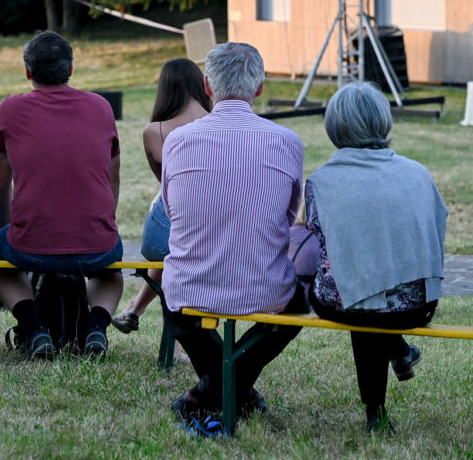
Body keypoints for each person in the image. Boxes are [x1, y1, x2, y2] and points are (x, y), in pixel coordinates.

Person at [161, 42, 306, 425]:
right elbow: (289, 217)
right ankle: (235, 391)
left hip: (189, 285)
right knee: (298, 305)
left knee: (172, 298)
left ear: (208, 85)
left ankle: (208, 391)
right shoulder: (287, 142)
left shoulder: (177, 140)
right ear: (259, 88)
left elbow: (172, 212)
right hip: (266, 287)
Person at [305, 82, 447, 432]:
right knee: (369, 286)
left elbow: (320, 240)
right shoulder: (418, 173)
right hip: (418, 305)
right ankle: (398, 352)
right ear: (383, 121)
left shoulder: (321, 182)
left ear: (334, 126)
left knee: (355, 286)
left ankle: (376, 411)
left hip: (349, 304)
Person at [0, 31, 123, 359]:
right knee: (111, 269)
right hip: (96, 244)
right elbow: (112, 177)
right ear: (71, 69)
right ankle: (96, 327)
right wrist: (102, 225)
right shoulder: (101, 107)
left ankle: (34, 330)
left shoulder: (10, 109)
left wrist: (11, 228)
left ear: (27, 72)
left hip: (30, 246)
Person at [112, 58, 211, 335]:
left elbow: (165, 185)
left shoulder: (154, 132)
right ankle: (136, 307)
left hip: (164, 236)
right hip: (217, 232)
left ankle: (136, 308)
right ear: (202, 85)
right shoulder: (220, 124)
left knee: (176, 243)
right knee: (185, 244)